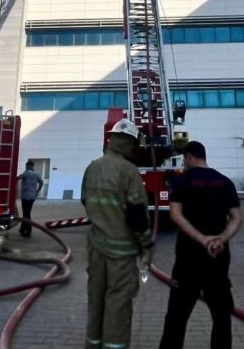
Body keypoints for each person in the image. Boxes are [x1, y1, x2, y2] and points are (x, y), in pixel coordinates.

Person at [159, 141, 242, 349]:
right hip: (218, 258)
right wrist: (220, 239)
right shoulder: (224, 182)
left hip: (188, 259)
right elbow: (236, 217)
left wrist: (201, 238)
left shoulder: (182, 181)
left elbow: (175, 214)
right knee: (222, 317)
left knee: (176, 319)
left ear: (188, 157)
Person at [81, 123, 153, 349]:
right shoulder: (128, 171)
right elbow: (137, 217)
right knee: (118, 304)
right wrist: (146, 246)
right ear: (129, 143)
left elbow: (85, 200)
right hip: (121, 253)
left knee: (96, 300)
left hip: (95, 247)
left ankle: (93, 344)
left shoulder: (92, 167)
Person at [16, 160, 44, 238]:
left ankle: (28, 231)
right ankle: (22, 229)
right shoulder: (36, 174)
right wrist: (37, 191)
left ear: (29, 166)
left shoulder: (26, 173)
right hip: (32, 196)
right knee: (27, 213)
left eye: (26, 166)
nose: (26, 167)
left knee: (26, 214)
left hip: (25, 197)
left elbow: (17, 178)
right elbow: (41, 182)